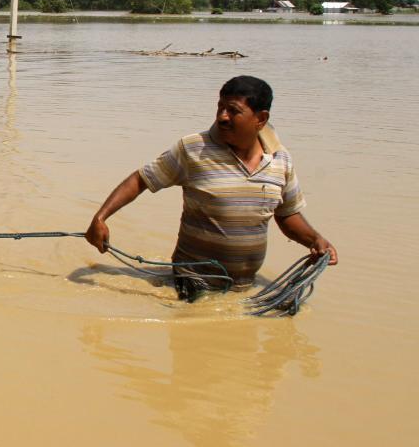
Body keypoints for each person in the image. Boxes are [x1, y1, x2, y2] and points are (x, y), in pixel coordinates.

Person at [85, 75, 337, 300]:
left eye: (233, 110)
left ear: (261, 119)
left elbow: (287, 214)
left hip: (244, 288)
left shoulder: (280, 160)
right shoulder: (194, 149)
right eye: (220, 107)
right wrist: (101, 217)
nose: (222, 116)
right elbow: (140, 179)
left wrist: (315, 240)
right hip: (192, 284)